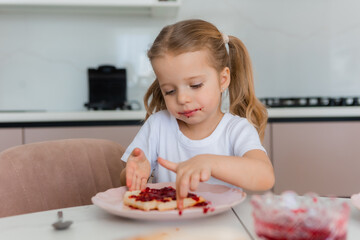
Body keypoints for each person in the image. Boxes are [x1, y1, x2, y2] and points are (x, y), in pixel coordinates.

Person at [120, 19, 275, 210]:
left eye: (195, 85)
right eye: (169, 91)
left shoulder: (236, 130)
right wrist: (134, 172)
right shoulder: (158, 125)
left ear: (223, 79)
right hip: (169, 228)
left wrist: (208, 162)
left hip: (221, 228)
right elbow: (125, 180)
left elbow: (265, 177)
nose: (183, 98)